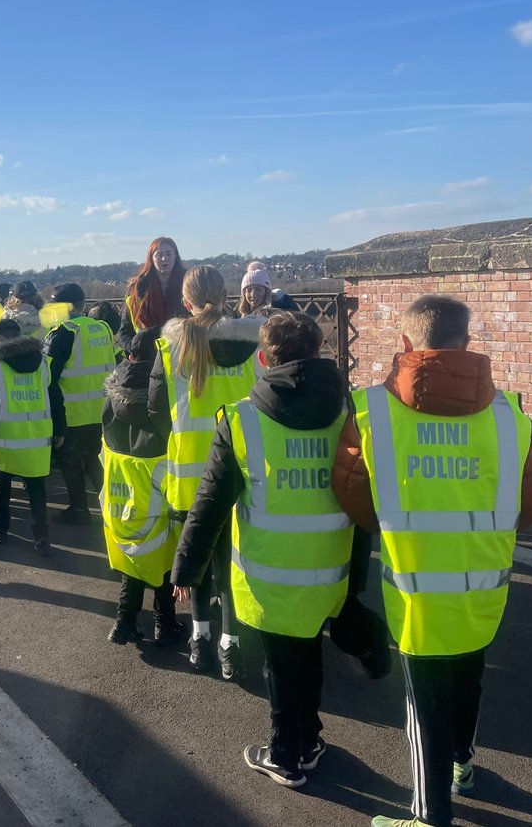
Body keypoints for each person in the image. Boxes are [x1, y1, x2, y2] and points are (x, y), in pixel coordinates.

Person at [333, 295, 532, 827]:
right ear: (468, 344)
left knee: (422, 703)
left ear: (405, 343)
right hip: (483, 589)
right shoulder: (509, 415)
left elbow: (355, 500)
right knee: (468, 677)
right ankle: (464, 765)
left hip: (417, 591)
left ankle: (430, 817)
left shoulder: (373, 411)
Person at [173, 311, 354, 789]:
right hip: (329, 566)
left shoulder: (243, 418)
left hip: (271, 571)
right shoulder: (345, 411)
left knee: (281, 665)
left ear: (261, 358)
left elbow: (210, 503)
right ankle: (309, 739)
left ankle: (284, 755)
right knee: (309, 653)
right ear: (318, 352)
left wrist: (186, 570)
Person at [151, 265, 261, 678]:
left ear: (185, 301)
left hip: (189, 475)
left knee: (197, 562)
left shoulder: (172, 348)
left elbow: (155, 410)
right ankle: (230, 646)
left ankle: (199, 641)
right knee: (232, 565)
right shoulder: (254, 342)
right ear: (228, 294)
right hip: (243, 472)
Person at [102, 327, 184, 647]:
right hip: (156, 492)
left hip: (119, 496)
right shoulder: (161, 395)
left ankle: (124, 623)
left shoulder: (113, 393)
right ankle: (165, 623)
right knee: (163, 561)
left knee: (134, 560)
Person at [0, 316, 65, 555]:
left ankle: (1, 530)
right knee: (37, 489)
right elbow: (56, 399)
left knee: (3, 487)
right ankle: (41, 536)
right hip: (39, 438)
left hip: (8, 439)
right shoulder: (44, 363)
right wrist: (60, 428)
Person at [43, 283, 117, 525]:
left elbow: (48, 379)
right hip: (105, 411)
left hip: (73, 414)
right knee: (97, 462)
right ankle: (112, 509)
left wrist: (56, 422)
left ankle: (79, 510)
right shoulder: (102, 327)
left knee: (72, 464)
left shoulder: (63, 332)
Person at [120, 236, 187, 345]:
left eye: (169, 254)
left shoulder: (189, 285)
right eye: (159, 255)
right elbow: (126, 331)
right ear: (151, 258)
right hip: (148, 354)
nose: (164, 258)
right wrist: (132, 350)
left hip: (182, 351)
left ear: (175, 256)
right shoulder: (138, 289)